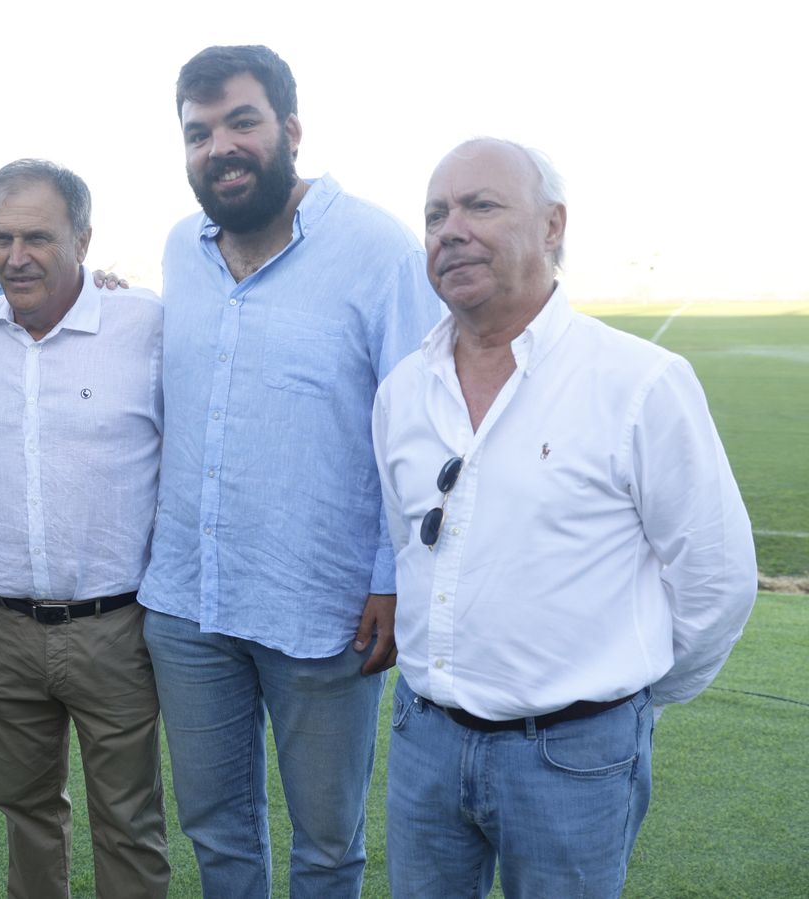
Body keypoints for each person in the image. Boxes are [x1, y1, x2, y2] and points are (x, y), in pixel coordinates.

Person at [374, 137, 757, 897]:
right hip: (425, 741)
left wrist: (622, 699)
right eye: (435, 214)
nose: (451, 228)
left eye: (481, 205)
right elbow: (412, 548)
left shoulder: (639, 383)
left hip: (574, 758)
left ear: (553, 226)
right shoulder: (402, 391)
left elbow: (717, 579)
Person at [138, 45, 444, 897]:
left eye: (242, 121)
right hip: (188, 603)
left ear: (291, 129)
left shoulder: (378, 248)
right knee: (217, 830)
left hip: (326, 608)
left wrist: (391, 577)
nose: (219, 147)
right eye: (198, 133)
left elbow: (419, 428)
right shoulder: (179, 247)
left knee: (327, 843)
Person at [0, 159, 169, 898]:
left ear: (82, 236)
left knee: (129, 823)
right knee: (27, 816)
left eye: (39, 237)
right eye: (2, 238)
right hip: (0, 625)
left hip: (115, 627)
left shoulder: (144, 324)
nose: (16, 256)